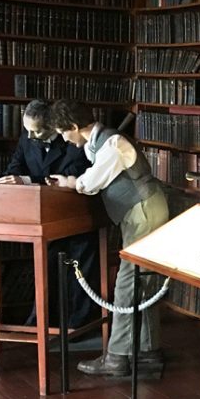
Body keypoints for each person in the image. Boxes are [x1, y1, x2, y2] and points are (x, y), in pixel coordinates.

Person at [48, 99, 168, 376]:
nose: (65, 140)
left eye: (64, 133)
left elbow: (89, 184)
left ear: (75, 127)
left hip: (144, 212)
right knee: (143, 282)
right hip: (142, 211)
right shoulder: (103, 143)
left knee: (127, 284)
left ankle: (117, 357)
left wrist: (70, 182)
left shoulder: (112, 145)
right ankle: (148, 352)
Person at [0, 99, 99, 329]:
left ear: (53, 126)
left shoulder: (75, 141)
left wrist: (26, 180)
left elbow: (71, 174)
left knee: (79, 276)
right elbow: (14, 169)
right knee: (48, 273)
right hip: (43, 219)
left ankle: (80, 326)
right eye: (28, 130)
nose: (31, 136)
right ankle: (44, 324)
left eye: (37, 131)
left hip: (75, 215)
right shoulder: (28, 137)